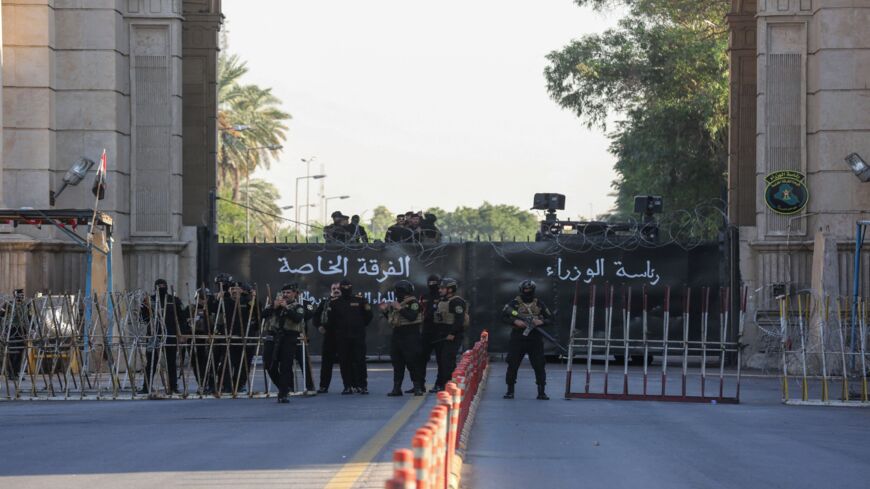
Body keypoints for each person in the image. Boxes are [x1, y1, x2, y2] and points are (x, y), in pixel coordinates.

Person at [501, 280, 553, 400]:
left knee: (539, 365)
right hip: (518, 338)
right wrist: (515, 321)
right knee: (512, 363)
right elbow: (503, 316)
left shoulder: (539, 304)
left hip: (535, 338)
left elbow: (551, 319)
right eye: (525, 290)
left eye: (529, 291)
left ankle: (541, 392)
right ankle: (510, 391)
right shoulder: (514, 304)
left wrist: (541, 321)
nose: (527, 293)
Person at [262, 283, 308, 403]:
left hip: (289, 337)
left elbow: (298, 318)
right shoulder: (274, 304)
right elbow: (262, 315)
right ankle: (284, 387)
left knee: (285, 366)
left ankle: (283, 393)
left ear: (295, 294)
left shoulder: (298, 306)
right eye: (284, 293)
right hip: (273, 335)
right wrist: (274, 307)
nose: (286, 295)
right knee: (268, 363)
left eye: (288, 293)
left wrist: (286, 309)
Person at [326, 279, 373, 394]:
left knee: (360, 361)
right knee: (344, 362)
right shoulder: (334, 302)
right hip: (342, 337)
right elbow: (330, 320)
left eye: (348, 287)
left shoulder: (360, 300)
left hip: (358, 336)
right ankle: (347, 386)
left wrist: (359, 326)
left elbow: (368, 316)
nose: (346, 289)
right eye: (344, 287)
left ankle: (362, 386)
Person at [140, 279, 185, 395]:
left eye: (163, 286)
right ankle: (146, 386)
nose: (161, 288)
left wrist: (182, 333)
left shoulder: (173, 300)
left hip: (170, 335)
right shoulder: (149, 300)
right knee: (151, 362)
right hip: (154, 335)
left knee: (171, 363)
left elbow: (181, 318)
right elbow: (143, 318)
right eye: (159, 286)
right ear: (155, 287)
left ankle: (173, 386)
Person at [380, 280, 425, 396]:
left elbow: (412, 317)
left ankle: (417, 387)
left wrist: (400, 308)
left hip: (411, 337)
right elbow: (393, 320)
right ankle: (397, 388)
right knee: (397, 363)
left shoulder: (413, 303)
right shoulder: (398, 303)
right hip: (397, 336)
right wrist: (385, 311)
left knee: (412, 363)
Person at [431, 277, 467, 393]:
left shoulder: (456, 301)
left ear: (450, 289)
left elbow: (459, 320)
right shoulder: (442, 301)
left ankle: (447, 384)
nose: (440, 290)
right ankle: (441, 383)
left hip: (452, 336)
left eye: (443, 288)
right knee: (441, 361)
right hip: (442, 335)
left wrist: (452, 333)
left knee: (447, 360)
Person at [187, 287, 218, 394]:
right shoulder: (190, 309)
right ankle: (202, 384)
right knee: (196, 364)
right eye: (201, 298)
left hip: (208, 339)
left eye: (205, 298)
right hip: (194, 339)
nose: (203, 300)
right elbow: (184, 323)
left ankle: (211, 384)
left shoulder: (213, 310)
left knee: (208, 363)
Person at [414, 274, 441, 392]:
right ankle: (419, 385)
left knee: (442, 360)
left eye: (434, 282)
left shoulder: (442, 296)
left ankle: (440, 383)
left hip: (440, 332)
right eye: (430, 282)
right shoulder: (424, 296)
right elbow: (419, 310)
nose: (432, 285)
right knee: (421, 359)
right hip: (426, 332)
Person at [313, 282, 341, 393]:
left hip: (344, 336)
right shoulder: (325, 302)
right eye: (333, 288)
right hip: (329, 336)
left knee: (348, 362)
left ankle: (350, 386)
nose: (336, 290)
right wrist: (319, 326)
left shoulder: (347, 302)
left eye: (338, 288)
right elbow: (316, 316)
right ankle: (323, 386)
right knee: (326, 363)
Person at [0, 289, 30, 378]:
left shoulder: (26, 305)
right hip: (12, 330)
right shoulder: (9, 304)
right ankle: (11, 372)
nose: (21, 297)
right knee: (13, 351)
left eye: (22, 295)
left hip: (22, 330)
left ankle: (17, 372)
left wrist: (30, 330)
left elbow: (29, 317)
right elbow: (2, 315)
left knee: (21, 351)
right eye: (19, 295)